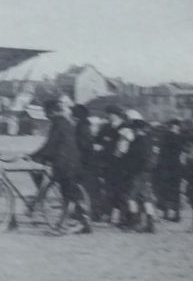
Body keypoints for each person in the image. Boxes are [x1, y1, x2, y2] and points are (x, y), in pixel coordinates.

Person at [27, 98, 92, 234]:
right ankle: (83, 222)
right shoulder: (62, 122)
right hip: (67, 164)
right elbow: (51, 145)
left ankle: (62, 227)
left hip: (66, 165)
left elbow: (51, 145)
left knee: (68, 197)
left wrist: (34, 156)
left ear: (52, 111)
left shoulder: (59, 124)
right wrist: (36, 155)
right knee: (69, 195)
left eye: (46, 112)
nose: (45, 115)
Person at [120, 110, 157, 233]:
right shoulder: (149, 140)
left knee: (131, 198)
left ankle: (134, 222)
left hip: (137, 173)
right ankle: (150, 223)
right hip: (147, 173)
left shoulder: (137, 142)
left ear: (137, 129)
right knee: (146, 198)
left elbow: (131, 159)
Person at [95, 105, 127, 223]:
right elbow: (97, 140)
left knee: (121, 190)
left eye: (109, 114)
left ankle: (122, 216)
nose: (107, 116)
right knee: (108, 189)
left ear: (115, 115)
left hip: (121, 164)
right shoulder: (106, 127)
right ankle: (108, 214)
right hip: (108, 163)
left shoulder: (125, 127)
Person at [154, 119, 184, 222]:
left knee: (164, 191)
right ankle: (176, 215)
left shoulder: (166, 136)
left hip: (166, 168)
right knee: (175, 191)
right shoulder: (180, 137)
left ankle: (166, 213)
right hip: (177, 167)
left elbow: (162, 152)